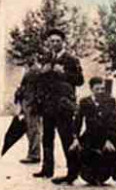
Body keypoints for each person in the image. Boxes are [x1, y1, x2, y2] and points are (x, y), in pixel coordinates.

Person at [23, 30, 84, 181]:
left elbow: (79, 80)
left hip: (63, 105)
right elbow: (39, 82)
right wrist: (42, 73)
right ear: (48, 43)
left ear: (63, 42)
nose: (55, 43)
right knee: (47, 138)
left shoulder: (71, 59)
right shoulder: (46, 58)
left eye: (58, 41)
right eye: (52, 41)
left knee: (66, 138)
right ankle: (47, 169)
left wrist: (63, 73)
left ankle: (72, 172)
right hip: (48, 105)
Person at [62, 77, 116, 186]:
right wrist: (75, 138)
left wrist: (109, 139)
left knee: (111, 150)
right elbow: (78, 121)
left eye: (102, 89)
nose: (100, 92)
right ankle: (71, 176)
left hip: (106, 134)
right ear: (91, 89)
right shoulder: (84, 102)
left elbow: (113, 121)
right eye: (97, 89)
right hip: (90, 134)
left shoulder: (110, 101)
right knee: (73, 150)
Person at [13, 75, 42, 164]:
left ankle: (34, 155)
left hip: (31, 105)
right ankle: (33, 153)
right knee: (31, 130)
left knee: (33, 130)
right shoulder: (32, 71)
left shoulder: (34, 72)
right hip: (28, 104)